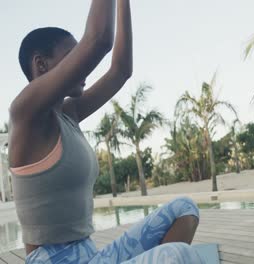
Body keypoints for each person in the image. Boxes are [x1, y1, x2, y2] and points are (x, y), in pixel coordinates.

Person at [8, 1, 203, 263]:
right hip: (51, 260)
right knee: (178, 255)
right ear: (41, 65)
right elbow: (98, 40)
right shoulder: (25, 113)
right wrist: (90, 47)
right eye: (73, 57)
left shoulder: (69, 114)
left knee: (184, 208)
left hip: (89, 253)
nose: (83, 67)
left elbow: (121, 70)